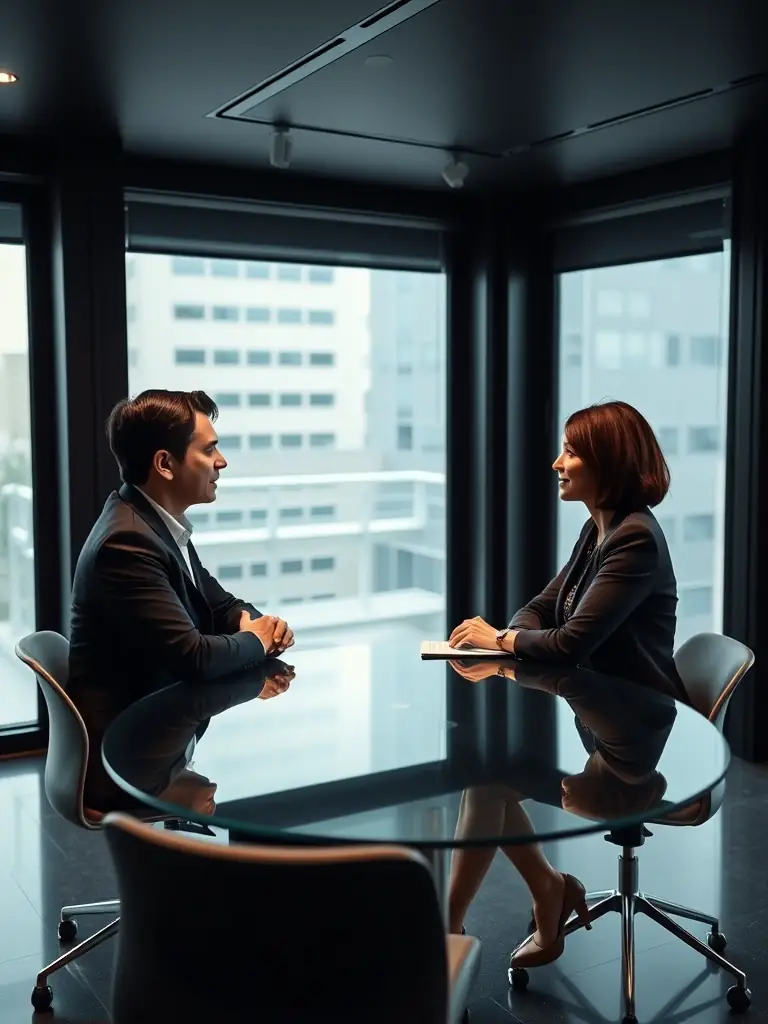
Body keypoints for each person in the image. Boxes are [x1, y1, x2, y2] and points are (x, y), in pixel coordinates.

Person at [446, 399, 686, 967]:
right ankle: (544, 893)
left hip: (633, 741)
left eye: (572, 452)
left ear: (609, 464)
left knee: (488, 784)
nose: (557, 462)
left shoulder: (635, 540)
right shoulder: (597, 530)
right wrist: (514, 632)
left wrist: (500, 640)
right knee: (487, 780)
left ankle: (451, 927)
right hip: (597, 720)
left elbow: (572, 642)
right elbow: (542, 609)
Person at [68, 389, 294, 806]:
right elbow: (194, 657)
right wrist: (260, 639)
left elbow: (219, 604)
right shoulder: (127, 542)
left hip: (163, 737)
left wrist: (249, 623)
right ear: (165, 464)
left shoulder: (155, 524)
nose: (221, 462)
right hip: (131, 765)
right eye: (209, 450)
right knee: (277, 788)